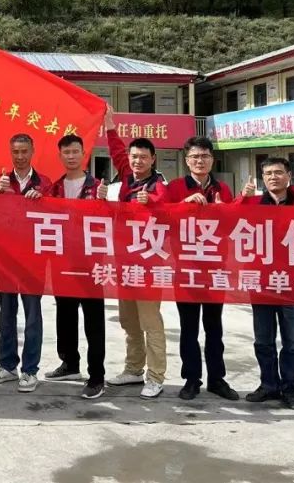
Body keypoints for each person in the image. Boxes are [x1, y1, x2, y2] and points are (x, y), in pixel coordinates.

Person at [161, 136, 240, 402]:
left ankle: (217, 379)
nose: (200, 161)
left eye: (204, 156)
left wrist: (223, 210)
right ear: (186, 161)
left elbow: (233, 225)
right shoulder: (174, 187)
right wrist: (184, 205)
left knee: (214, 327)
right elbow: (161, 217)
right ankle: (191, 379)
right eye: (195, 156)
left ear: (212, 159)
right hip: (186, 268)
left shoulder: (223, 189)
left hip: (215, 267)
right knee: (189, 327)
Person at [98, 107, 167, 398]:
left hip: (149, 266)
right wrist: (110, 127)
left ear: (153, 159)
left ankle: (156, 376)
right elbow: (115, 152)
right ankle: (133, 369)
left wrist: (149, 200)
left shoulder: (160, 186)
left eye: (143, 157)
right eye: (133, 157)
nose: (137, 161)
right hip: (125, 263)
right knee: (129, 321)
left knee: (151, 322)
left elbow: (165, 209)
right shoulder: (126, 177)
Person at [0, 133, 52, 393]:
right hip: (5, 257)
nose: (20, 157)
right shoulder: (0, 180)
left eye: (25, 151)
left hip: (33, 259)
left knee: (32, 314)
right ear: (10, 153)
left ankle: (30, 369)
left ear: (32, 151)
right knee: (6, 313)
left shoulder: (44, 183)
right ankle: (7, 365)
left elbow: (56, 217)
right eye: (16, 152)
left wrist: (41, 200)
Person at [239, 157, 294, 410]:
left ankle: (291, 389)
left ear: (289, 175)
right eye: (268, 173)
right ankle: (268, 385)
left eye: (278, 172)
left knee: (291, 343)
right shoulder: (254, 205)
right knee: (263, 340)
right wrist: (242, 200)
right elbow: (228, 222)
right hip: (262, 283)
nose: (273, 177)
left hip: (292, 284)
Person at [45, 134, 106, 400]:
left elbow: (112, 220)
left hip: (91, 264)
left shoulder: (98, 187)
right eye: (66, 152)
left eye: (75, 151)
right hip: (63, 262)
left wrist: (105, 202)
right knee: (65, 316)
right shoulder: (54, 188)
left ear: (84, 154)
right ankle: (70, 363)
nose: (71, 156)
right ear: (60, 156)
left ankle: (96, 376)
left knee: (94, 322)